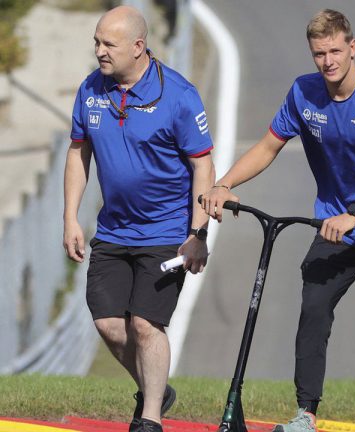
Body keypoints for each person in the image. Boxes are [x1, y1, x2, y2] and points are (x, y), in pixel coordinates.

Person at [201, 9, 355, 432]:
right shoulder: (303, 93)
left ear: (352, 47)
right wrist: (224, 183)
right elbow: (268, 147)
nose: (328, 61)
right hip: (334, 228)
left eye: (335, 51)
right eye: (319, 53)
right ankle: (306, 413)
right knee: (313, 309)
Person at [63, 6, 214, 432]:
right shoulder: (91, 90)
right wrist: (70, 217)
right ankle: (157, 390)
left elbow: (204, 166)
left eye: (108, 44)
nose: (99, 51)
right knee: (110, 325)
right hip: (113, 229)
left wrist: (198, 233)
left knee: (146, 324)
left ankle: (149, 419)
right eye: (96, 41)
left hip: (167, 231)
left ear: (138, 47)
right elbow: (79, 152)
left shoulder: (179, 96)